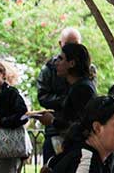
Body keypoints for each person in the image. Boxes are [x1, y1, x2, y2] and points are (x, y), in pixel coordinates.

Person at [36, 28, 87, 165]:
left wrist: (53, 120)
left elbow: (78, 123)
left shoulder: (82, 87)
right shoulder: (49, 69)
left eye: (75, 44)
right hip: (54, 134)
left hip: (74, 141)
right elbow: (42, 96)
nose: (58, 63)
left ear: (72, 63)